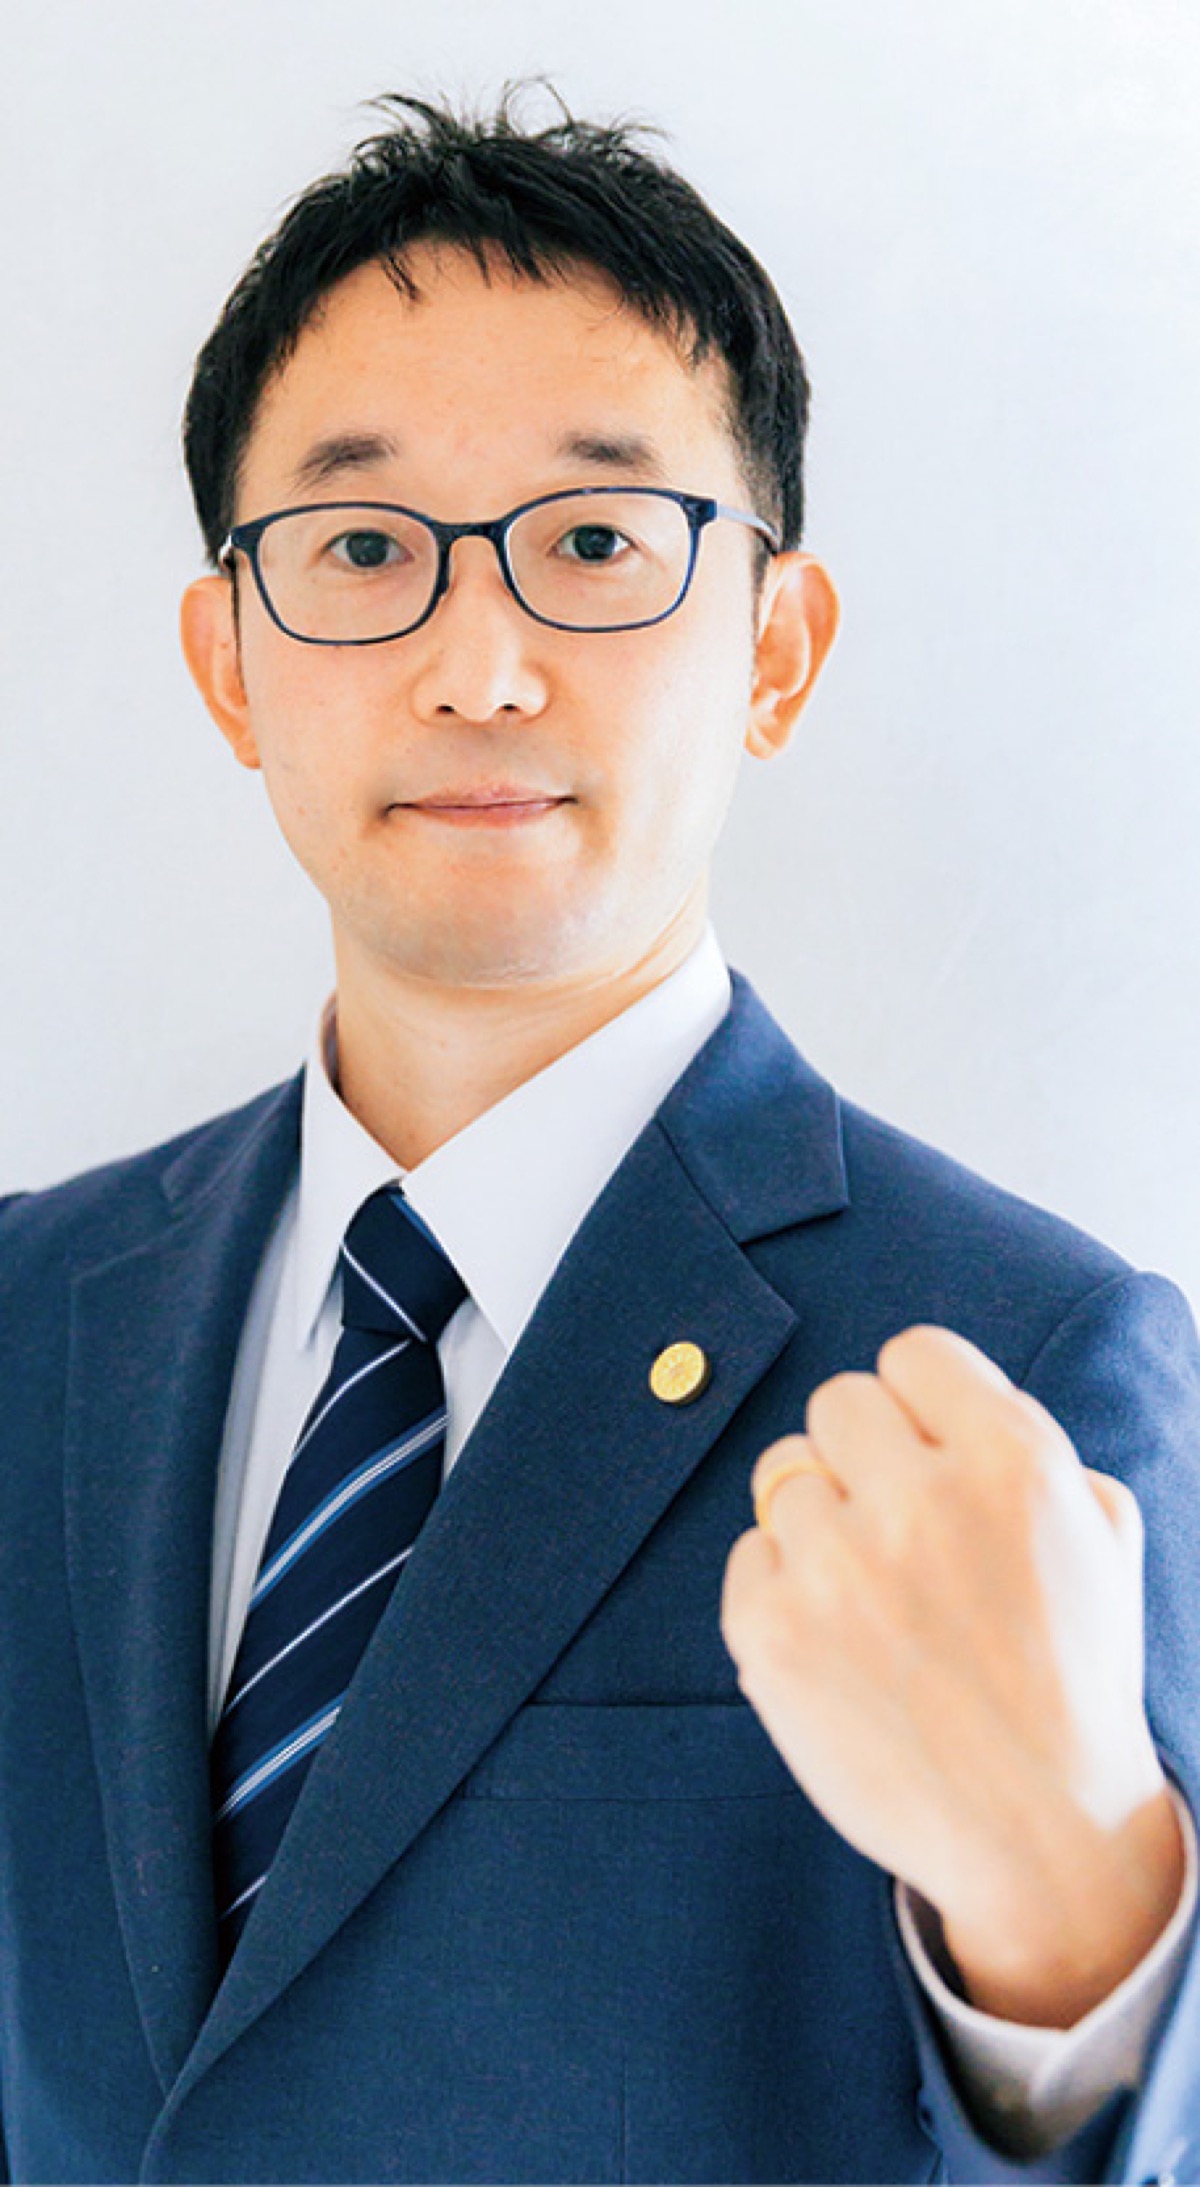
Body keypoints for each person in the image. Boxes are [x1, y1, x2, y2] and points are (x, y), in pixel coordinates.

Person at [1, 83, 1198, 2186]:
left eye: (595, 543)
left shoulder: (1023, 1363)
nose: (480, 668)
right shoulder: (33, 1315)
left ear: (776, 650)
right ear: (229, 664)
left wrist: (1071, 1900)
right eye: (362, 548)